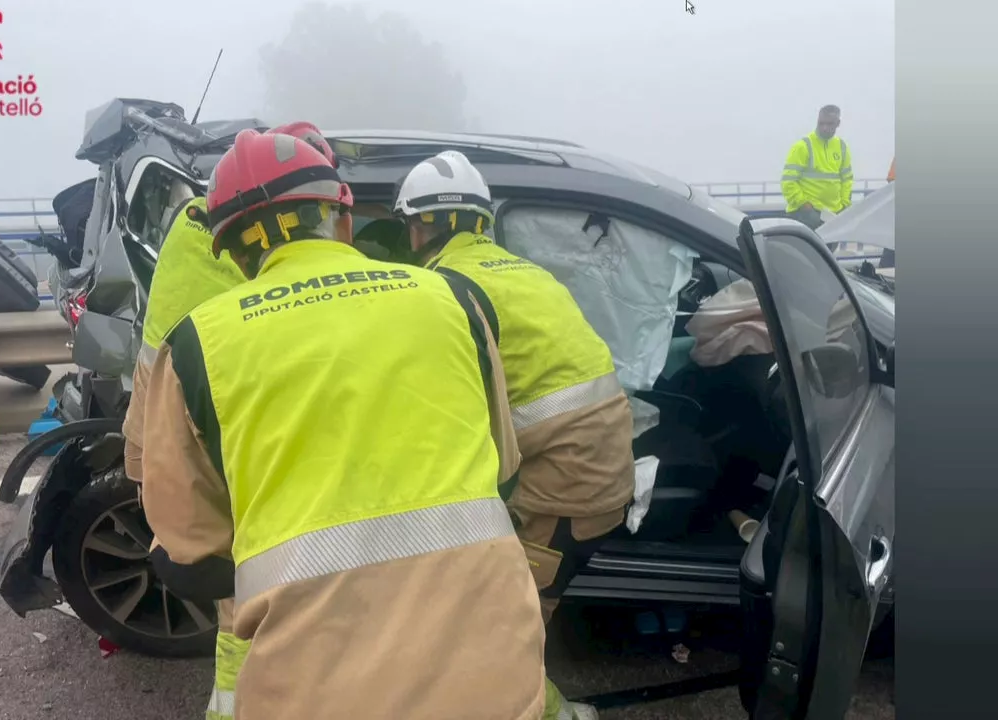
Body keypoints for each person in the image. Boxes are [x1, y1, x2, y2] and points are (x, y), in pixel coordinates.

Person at [136, 128, 559, 719]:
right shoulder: (456, 298)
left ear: (232, 253)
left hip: (315, 693)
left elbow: (192, 558)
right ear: (342, 218)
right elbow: (504, 473)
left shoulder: (196, 344)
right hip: (499, 672)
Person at [394, 149, 636, 718]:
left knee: (497, 627)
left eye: (408, 224)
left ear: (423, 223)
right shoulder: (521, 270)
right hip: (595, 472)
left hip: (565, 492)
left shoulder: (444, 289)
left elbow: (438, 409)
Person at [121, 122, 344, 720]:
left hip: (170, 419)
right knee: (242, 589)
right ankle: (242, 699)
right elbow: (279, 314)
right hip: (200, 423)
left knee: (235, 579)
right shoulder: (225, 238)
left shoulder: (202, 221)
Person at [781, 104, 855, 229]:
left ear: (838, 123)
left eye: (829, 124)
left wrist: (844, 206)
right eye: (821, 123)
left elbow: (847, 180)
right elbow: (788, 182)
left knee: (828, 249)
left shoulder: (842, 147)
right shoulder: (803, 146)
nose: (824, 128)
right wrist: (804, 204)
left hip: (832, 216)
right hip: (806, 215)